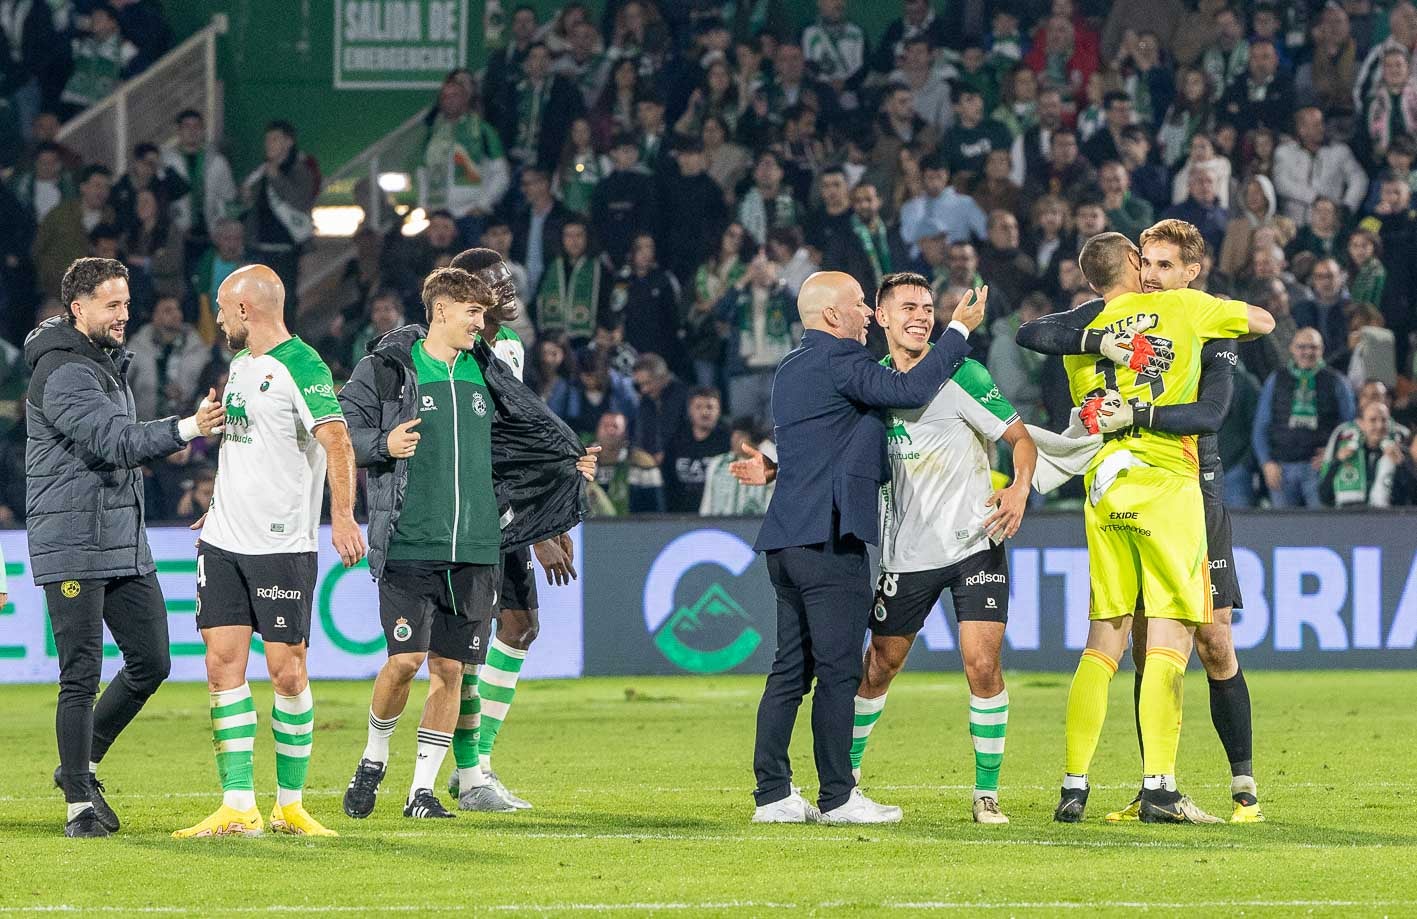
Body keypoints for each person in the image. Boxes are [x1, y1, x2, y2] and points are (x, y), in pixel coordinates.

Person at [1017, 218, 1269, 823]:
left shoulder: (1182, 320)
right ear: (1132, 264)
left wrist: (1128, 399)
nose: (1152, 278)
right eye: (1146, 264)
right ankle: (1158, 786)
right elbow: (1263, 320)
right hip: (1166, 483)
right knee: (1160, 636)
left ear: (1190, 271)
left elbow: (1212, 411)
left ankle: (1235, 784)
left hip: (1159, 483)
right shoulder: (1171, 314)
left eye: (1163, 267)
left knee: (1209, 638)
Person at [338, 267, 592, 819]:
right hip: (410, 540)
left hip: (478, 546)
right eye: (473, 313)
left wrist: (564, 463)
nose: (483, 323)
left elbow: (525, 436)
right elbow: (341, 435)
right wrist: (383, 442)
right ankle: (373, 757)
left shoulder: (488, 372)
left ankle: (422, 792)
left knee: (451, 671)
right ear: (442, 311)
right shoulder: (386, 370)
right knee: (404, 662)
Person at [746, 270, 983, 826]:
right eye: (858, 304)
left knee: (789, 671)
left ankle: (774, 796)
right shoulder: (841, 361)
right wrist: (958, 332)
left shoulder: (790, 368)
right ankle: (837, 797)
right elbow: (909, 390)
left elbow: (825, 444)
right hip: (830, 540)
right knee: (837, 672)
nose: (867, 314)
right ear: (832, 316)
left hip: (786, 537)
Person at [822, 273, 1037, 825]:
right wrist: (776, 467)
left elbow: (1020, 438)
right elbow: (832, 446)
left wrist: (1016, 487)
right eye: (908, 308)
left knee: (981, 664)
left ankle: (986, 792)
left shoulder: (963, 374)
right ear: (884, 317)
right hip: (907, 553)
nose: (920, 316)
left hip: (974, 542)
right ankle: (846, 780)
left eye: (927, 307)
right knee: (879, 668)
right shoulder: (872, 385)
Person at [25, 257, 224, 836]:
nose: (123, 315)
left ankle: (80, 768)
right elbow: (116, 443)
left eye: (126, 304)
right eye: (112, 305)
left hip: (119, 537)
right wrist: (187, 427)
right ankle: (79, 807)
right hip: (72, 541)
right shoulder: (63, 371)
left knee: (152, 659)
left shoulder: (101, 365)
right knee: (80, 673)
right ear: (77, 308)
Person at [172, 265, 364, 838]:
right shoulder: (240, 366)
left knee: (287, 672)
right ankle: (237, 805)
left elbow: (337, 440)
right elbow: (244, 446)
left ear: (246, 311)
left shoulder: (303, 365)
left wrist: (344, 516)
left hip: (281, 546)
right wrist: (220, 505)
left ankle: (289, 805)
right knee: (221, 664)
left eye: (225, 310)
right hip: (224, 540)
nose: (222, 320)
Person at [444, 247, 588, 809]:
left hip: (506, 505)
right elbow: (484, 448)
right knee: (474, 641)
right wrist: (541, 531)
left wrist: (547, 515)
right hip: (475, 508)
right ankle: (468, 769)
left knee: (520, 627)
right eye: (493, 282)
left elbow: (518, 441)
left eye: (508, 278)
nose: (508, 287)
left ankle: (474, 765)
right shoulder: (461, 353)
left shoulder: (509, 347)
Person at [1253, 328, 1357, 508]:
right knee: (1283, 530)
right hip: (1280, 468)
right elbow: (1260, 425)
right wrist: (1266, 462)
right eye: (1302, 347)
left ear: (1322, 349)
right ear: (1292, 349)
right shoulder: (1276, 379)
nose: (1308, 352)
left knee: (1320, 529)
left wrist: (1332, 454)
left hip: (1319, 469)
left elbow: (1350, 425)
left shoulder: (1337, 381)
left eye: (1313, 347)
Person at [241, 121, 316, 328]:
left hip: (287, 251)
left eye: (275, 139)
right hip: (259, 248)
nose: (269, 144)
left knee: (284, 303)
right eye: (267, 140)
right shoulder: (260, 173)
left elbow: (300, 202)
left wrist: (276, 177)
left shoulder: (300, 171)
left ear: (288, 142)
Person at [161, 109, 237, 265]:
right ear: (178, 130)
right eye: (187, 126)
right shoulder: (166, 162)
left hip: (211, 234)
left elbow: (229, 197)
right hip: (177, 234)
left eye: (196, 127)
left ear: (203, 130)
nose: (192, 131)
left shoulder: (217, 161)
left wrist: (221, 227)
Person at [126, 294, 209, 421]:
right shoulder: (137, 347)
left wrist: (185, 396)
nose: (176, 315)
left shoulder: (196, 348)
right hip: (143, 425)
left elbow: (207, 386)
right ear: (155, 316)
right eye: (168, 311)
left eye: (178, 309)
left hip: (187, 425)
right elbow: (122, 384)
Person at [1320, 400, 1405, 506]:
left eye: (1384, 420)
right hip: (1350, 517)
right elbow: (1324, 496)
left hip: (1388, 518)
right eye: (1373, 420)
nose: (1379, 426)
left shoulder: (1400, 450)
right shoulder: (1345, 451)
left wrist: (1401, 465)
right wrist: (1337, 461)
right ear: (1361, 424)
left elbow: (1413, 496)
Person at [662, 386, 731, 513]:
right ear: (690, 411)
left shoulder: (728, 441)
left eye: (710, 407)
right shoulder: (676, 440)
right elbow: (668, 480)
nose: (704, 412)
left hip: (717, 514)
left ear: (719, 410)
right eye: (698, 407)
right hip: (680, 515)